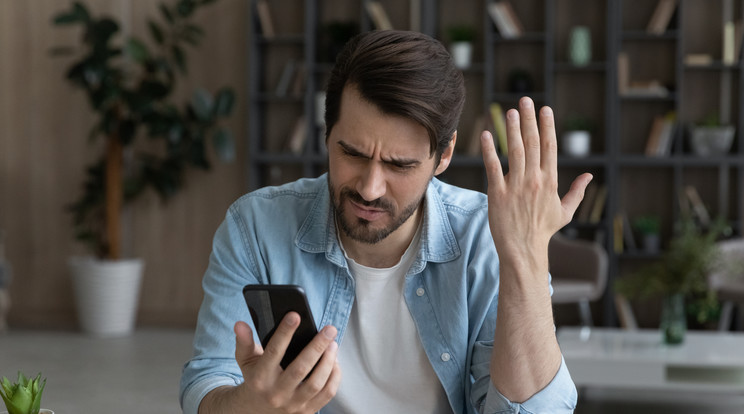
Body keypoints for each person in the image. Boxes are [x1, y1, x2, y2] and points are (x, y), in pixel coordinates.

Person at [180, 30, 589, 414]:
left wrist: (527, 258)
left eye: (400, 165)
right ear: (327, 134)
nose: (371, 188)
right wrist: (251, 405)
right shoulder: (254, 225)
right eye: (353, 153)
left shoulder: (485, 237)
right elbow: (208, 381)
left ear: (443, 157)